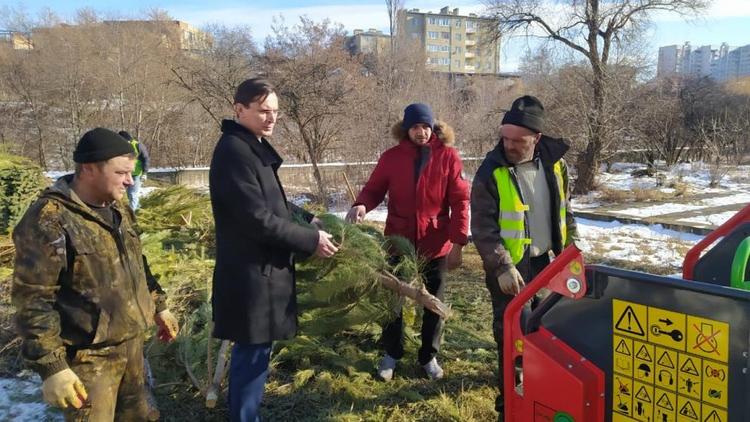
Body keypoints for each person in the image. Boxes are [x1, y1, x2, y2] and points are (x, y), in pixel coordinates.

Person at [12, 128, 180, 421]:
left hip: (132, 349)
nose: (130, 180)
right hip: (88, 361)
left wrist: (159, 306)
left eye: (130, 172)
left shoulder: (119, 207)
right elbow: (33, 299)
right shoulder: (49, 219)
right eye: (121, 172)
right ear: (89, 169)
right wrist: (52, 367)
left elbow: (136, 263)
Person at [209, 77, 338, 422]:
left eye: (276, 112)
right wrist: (310, 242)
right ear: (239, 109)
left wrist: (307, 218)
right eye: (263, 111)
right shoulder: (234, 152)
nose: (271, 118)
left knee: (256, 355)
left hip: (262, 273)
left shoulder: (250, 146)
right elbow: (256, 219)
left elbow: (273, 205)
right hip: (252, 276)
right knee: (251, 358)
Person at [346, 103, 469, 381]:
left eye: (426, 126)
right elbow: (374, 188)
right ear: (406, 129)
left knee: (433, 302)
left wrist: (458, 241)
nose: (421, 132)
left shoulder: (448, 157)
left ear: (433, 127)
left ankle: (428, 356)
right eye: (415, 127)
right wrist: (362, 205)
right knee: (393, 299)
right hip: (398, 241)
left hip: (435, 241)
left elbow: (460, 200)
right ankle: (391, 354)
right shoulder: (391, 157)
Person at [470, 95, 577, 409]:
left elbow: (566, 213)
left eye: (518, 140)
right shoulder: (491, 172)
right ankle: (511, 402)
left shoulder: (556, 165)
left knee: (544, 331)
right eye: (505, 138)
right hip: (509, 269)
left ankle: (540, 393)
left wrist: (573, 252)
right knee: (512, 334)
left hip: (547, 264)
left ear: (537, 138)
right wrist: (501, 265)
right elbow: (483, 227)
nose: (509, 145)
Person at [118, 131, 150, 210]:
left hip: (136, 174)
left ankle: (132, 216)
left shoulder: (138, 145)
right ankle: (138, 210)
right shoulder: (121, 146)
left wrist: (144, 173)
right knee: (129, 195)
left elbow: (146, 159)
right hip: (126, 174)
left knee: (132, 194)